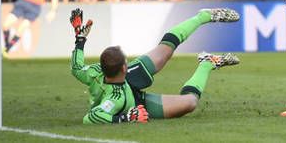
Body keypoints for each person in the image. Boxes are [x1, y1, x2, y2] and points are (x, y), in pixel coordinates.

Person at [70, 7, 240, 124]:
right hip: (135, 103)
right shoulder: (114, 99)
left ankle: (203, 16)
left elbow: (77, 67)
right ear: (123, 67)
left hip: (126, 79)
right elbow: (90, 117)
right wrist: (126, 118)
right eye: (126, 61)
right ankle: (207, 63)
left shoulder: (93, 72)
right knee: (189, 103)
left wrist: (80, 40)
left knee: (165, 50)